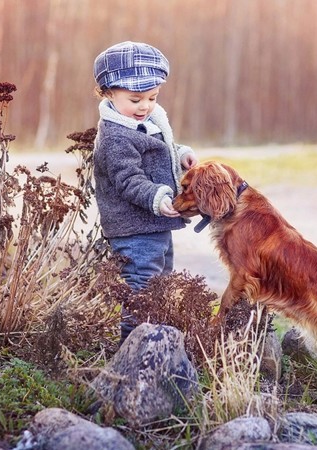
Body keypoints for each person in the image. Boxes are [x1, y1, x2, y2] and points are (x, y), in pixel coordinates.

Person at [92, 41, 198, 343]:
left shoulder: (148, 122)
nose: (145, 106)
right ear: (108, 93)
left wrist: (179, 155)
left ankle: (156, 346)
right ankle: (134, 352)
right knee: (141, 291)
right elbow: (128, 179)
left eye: (152, 97)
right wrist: (157, 198)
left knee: (161, 286)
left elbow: (156, 153)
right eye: (136, 99)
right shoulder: (115, 137)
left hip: (156, 225)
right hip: (133, 230)